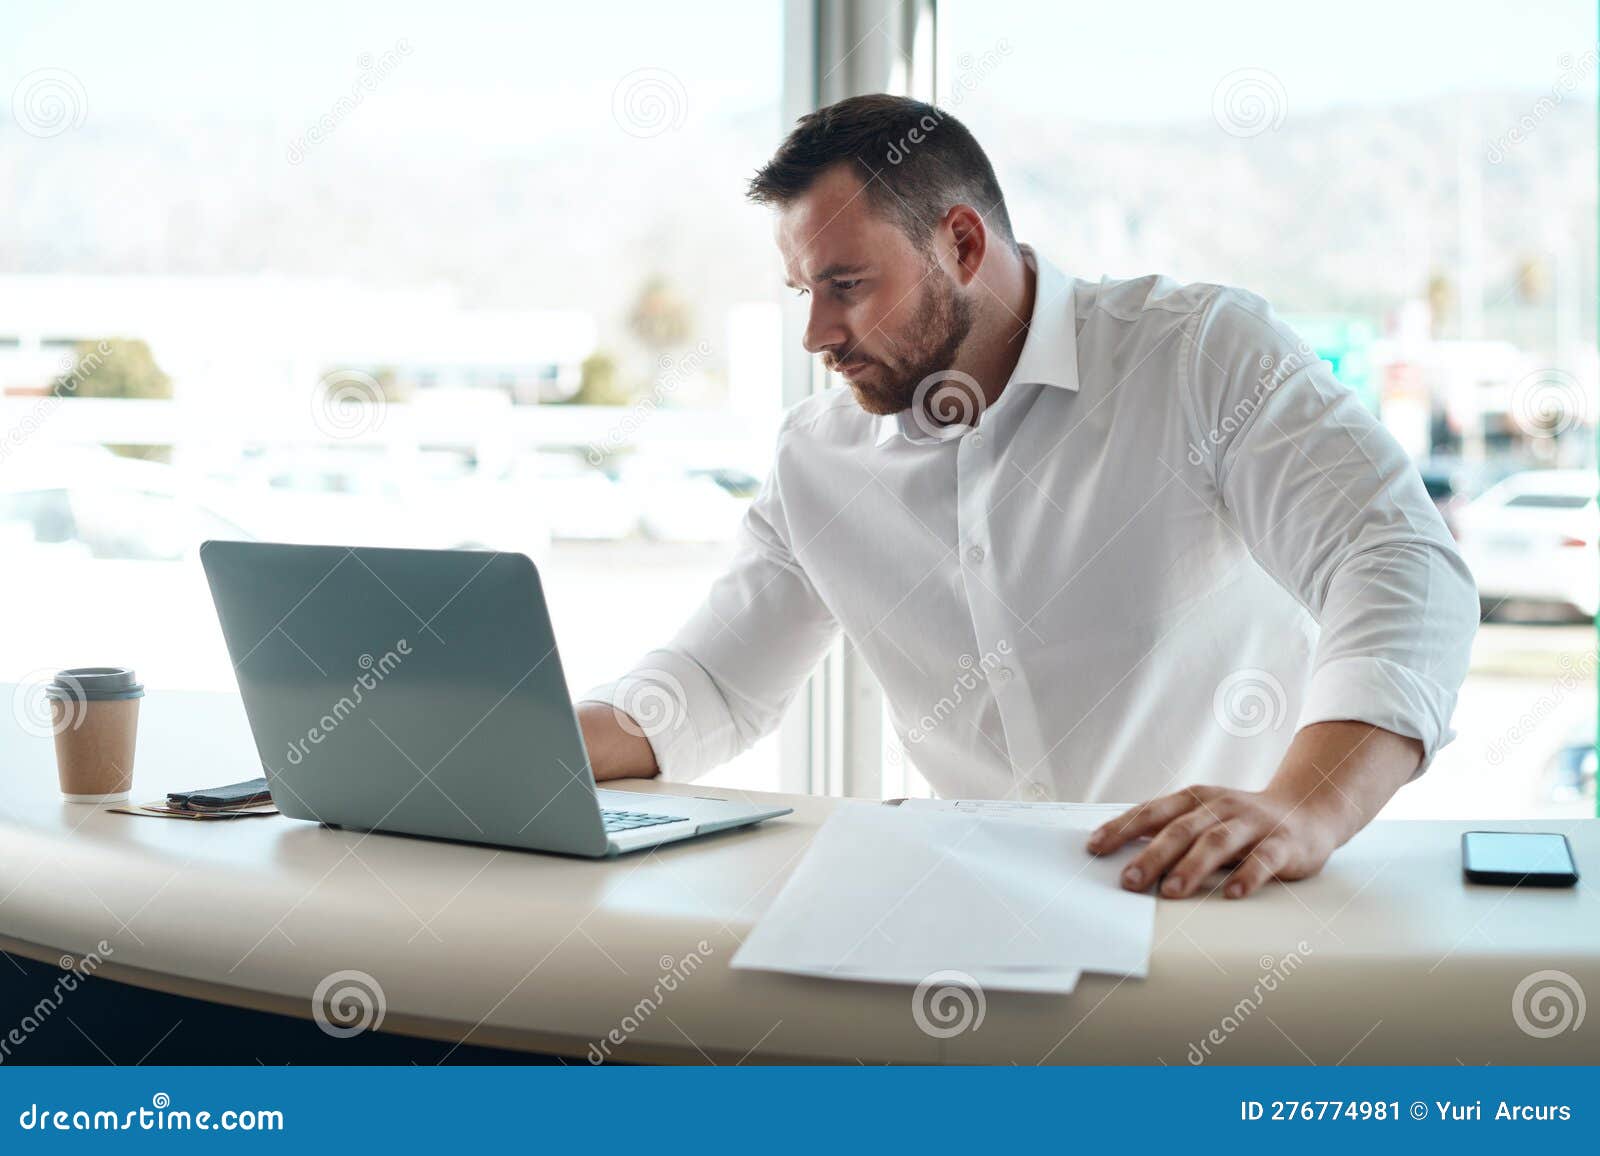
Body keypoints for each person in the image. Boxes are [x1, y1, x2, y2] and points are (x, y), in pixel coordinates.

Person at [576, 94, 1478, 901]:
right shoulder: (817, 457)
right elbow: (713, 685)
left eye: (846, 286)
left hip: (1213, 911)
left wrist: (1305, 807)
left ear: (961, 244)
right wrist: (513, 746)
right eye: (803, 293)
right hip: (966, 928)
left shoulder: (1197, 355)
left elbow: (1396, 557)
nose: (818, 334)